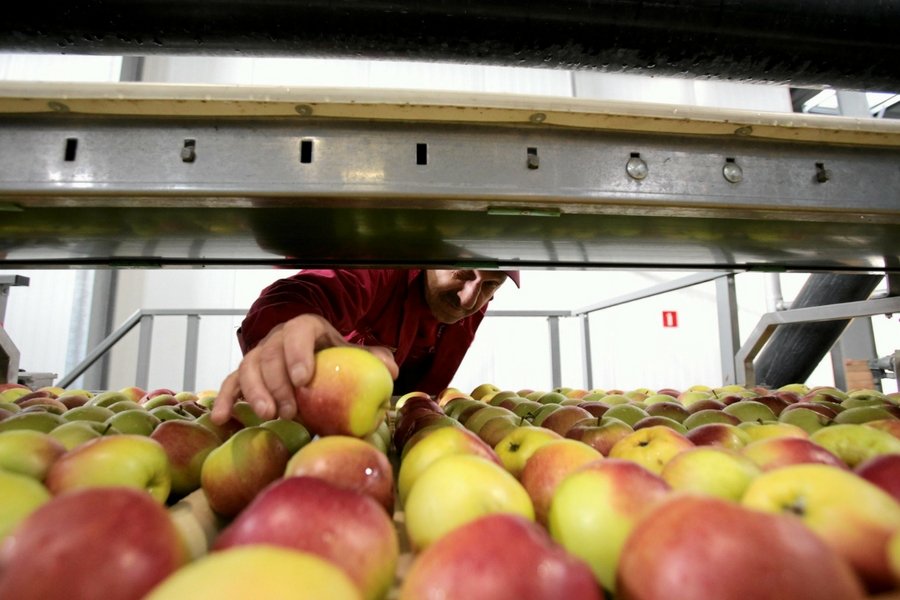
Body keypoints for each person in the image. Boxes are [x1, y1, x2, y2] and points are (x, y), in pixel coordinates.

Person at [211, 268, 520, 425]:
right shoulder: (382, 270)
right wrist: (284, 327)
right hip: (324, 426)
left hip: (404, 436)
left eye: (490, 285)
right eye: (462, 274)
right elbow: (302, 292)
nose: (468, 300)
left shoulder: (473, 297)